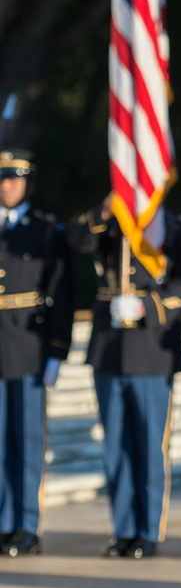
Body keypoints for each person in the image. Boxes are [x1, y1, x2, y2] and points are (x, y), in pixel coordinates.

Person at [67, 197, 181, 559]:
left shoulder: (172, 228)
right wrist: (106, 210)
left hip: (152, 347)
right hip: (109, 346)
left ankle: (147, 530)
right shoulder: (110, 224)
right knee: (116, 447)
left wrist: (148, 307)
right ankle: (123, 528)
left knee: (148, 445)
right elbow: (77, 241)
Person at [0, 149, 74, 557]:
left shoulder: (46, 231)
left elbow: (61, 294)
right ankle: (2, 521)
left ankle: (26, 524)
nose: (6, 185)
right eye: (2, 178)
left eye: (13, 178)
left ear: (28, 182)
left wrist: (56, 352)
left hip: (28, 348)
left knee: (26, 441)